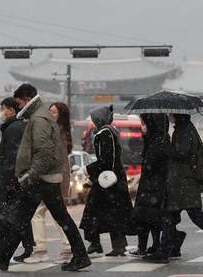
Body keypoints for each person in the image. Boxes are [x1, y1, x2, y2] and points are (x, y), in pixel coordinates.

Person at [0, 83, 91, 272]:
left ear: (27, 100)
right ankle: (3, 256)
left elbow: (43, 151)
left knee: (25, 217)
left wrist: (32, 175)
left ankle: (3, 256)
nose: (19, 107)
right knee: (34, 216)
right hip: (45, 176)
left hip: (42, 178)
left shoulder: (39, 118)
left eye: (19, 102)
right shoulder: (39, 115)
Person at [143, 113, 203, 264]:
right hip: (182, 183)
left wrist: (167, 147)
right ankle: (164, 251)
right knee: (170, 217)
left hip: (183, 183)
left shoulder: (184, 130)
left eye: (172, 113)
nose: (170, 115)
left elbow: (181, 152)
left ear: (178, 115)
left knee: (194, 217)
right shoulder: (184, 128)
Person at [80, 105, 135, 257]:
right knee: (113, 213)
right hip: (112, 179)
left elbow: (106, 160)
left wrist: (88, 170)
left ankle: (96, 243)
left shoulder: (105, 133)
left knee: (94, 211)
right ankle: (116, 245)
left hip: (109, 180)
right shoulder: (110, 131)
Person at [24, 102, 73, 264]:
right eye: (49, 111)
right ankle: (66, 248)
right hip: (55, 178)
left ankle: (44, 249)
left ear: (61, 115)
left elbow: (59, 161)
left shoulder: (55, 132)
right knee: (58, 214)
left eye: (54, 112)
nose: (50, 114)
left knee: (45, 213)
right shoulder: (62, 131)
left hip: (52, 179)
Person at [0, 98, 35, 262]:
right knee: (19, 216)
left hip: (10, 180)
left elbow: (11, 157)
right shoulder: (17, 126)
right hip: (18, 178)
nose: (1, 112)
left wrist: (9, 181)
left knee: (5, 216)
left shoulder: (12, 129)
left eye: (3, 108)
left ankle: (2, 251)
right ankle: (28, 247)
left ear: (10, 110)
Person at [128, 113, 170, 257]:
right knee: (151, 217)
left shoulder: (158, 143)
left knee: (145, 216)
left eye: (144, 123)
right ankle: (153, 245)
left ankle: (145, 246)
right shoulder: (157, 139)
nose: (142, 127)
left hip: (153, 187)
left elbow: (151, 165)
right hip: (153, 186)